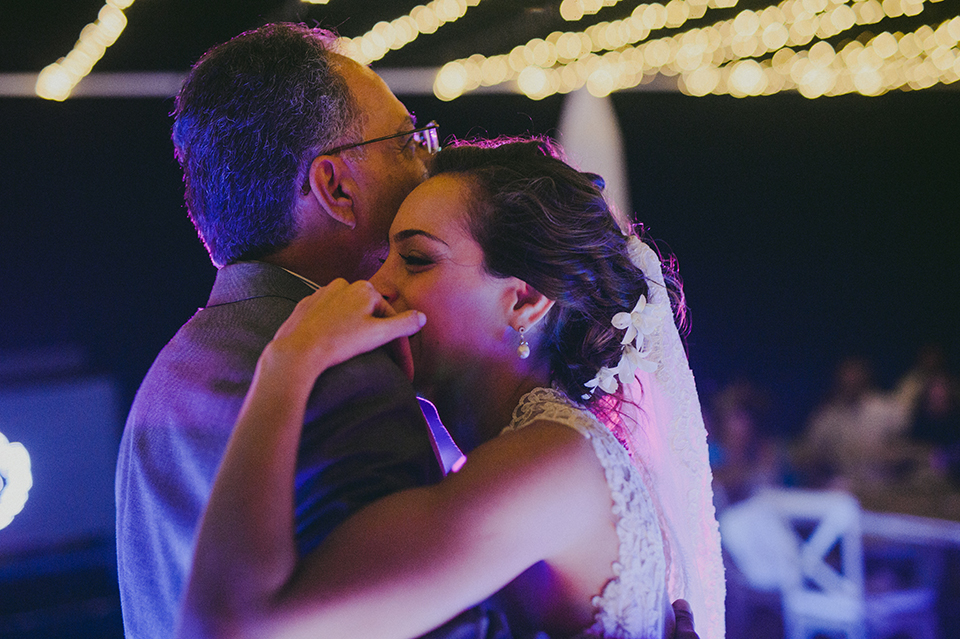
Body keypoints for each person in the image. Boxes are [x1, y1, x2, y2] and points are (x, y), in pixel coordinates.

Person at [178, 138, 725, 638]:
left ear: (523, 300)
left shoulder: (554, 461)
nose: (375, 285)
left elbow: (229, 627)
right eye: (384, 258)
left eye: (415, 259)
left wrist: (287, 362)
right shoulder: (523, 454)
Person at [115, 23, 515, 639]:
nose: (430, 161)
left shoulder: (167, 375)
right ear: (334, 187)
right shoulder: (344, 376)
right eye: (407, 141)